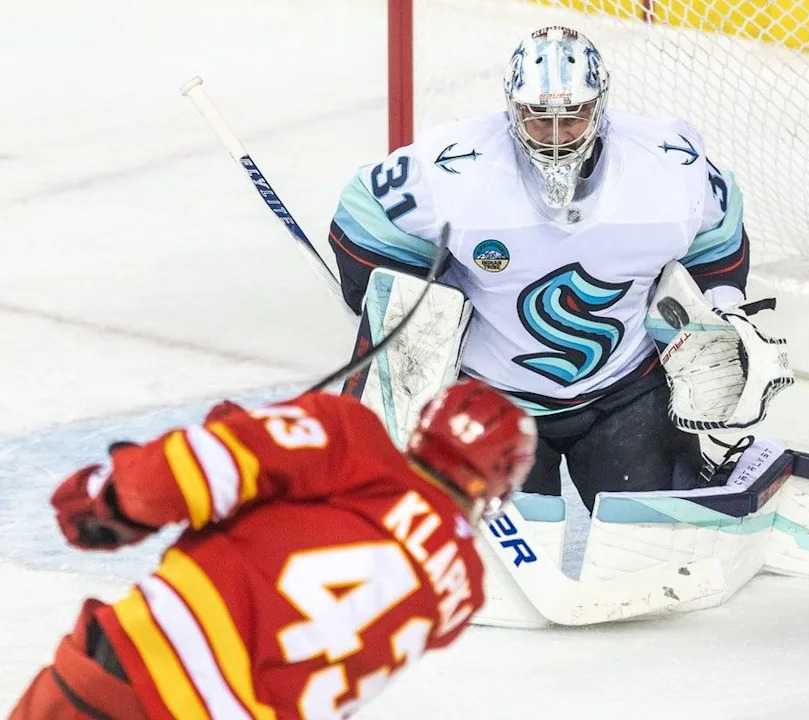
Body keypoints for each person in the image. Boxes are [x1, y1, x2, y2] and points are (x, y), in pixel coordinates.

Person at [327, 25, 749, 512]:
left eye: (572, 116)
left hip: (627, 390)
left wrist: (724, 312)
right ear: (512, 109)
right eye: (537, 118)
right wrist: (406, 310)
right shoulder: (455, 169)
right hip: (492, 400)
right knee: (496, 571)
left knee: (653, 546)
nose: (555, 136)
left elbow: (719, 235)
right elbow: (362, 213)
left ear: (599, 106)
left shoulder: (668, 166)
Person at [10, 380, 537, 720]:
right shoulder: (462, 591)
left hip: (141, 669)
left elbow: (205, 466)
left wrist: (113, 498)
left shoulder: (354, 439)